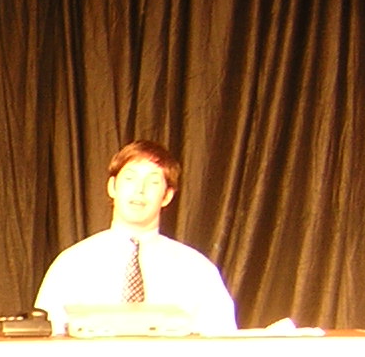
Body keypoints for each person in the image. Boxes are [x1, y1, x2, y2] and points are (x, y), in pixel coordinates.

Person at [34, 140, 235, 336]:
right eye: (130, 178)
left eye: (153, 182)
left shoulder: (197, 270)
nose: (140, 190)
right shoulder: (72, 264)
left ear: (167, 196)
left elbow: (224, 342)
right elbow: (43, 340)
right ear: (112, 187)